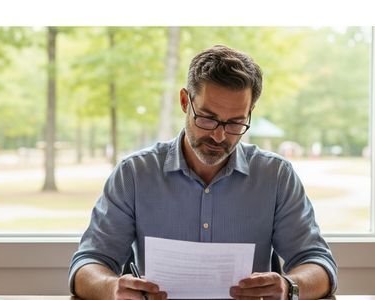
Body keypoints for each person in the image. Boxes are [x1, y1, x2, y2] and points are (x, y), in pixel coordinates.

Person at [69, 45, 337, 300]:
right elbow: (88, 264)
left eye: (235, 123)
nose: (219, 136)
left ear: (249, 113)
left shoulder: (275, 176)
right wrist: (111, 289)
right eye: (207, 118)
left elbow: (318, 263)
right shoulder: (134, 174)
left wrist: (289, 287)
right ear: (185, 101)